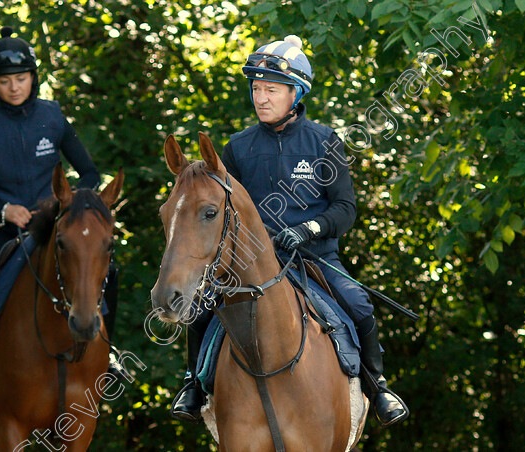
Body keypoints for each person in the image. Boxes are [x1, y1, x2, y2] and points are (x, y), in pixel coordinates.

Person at [171, 35, 409, 427]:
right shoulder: (237, 147)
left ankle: (378, 386)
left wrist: (308, 229)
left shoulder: (325, 141)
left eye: (271, 90)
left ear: (296, 93)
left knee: (360, 304)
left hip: (316, 256)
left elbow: (345, 209)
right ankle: (194, 384)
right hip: (250, 260)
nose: (261, 98)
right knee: (199, 309)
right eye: (256, 89)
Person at [0, 26, 110, 392]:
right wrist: (2, 209)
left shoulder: (52, 117)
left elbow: (89, 173)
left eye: (21, 78)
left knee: (105, 267)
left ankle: (107, 352)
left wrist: (62, 206)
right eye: (5, 81)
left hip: (50, 226)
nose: (15, 87)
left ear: (33, 78)